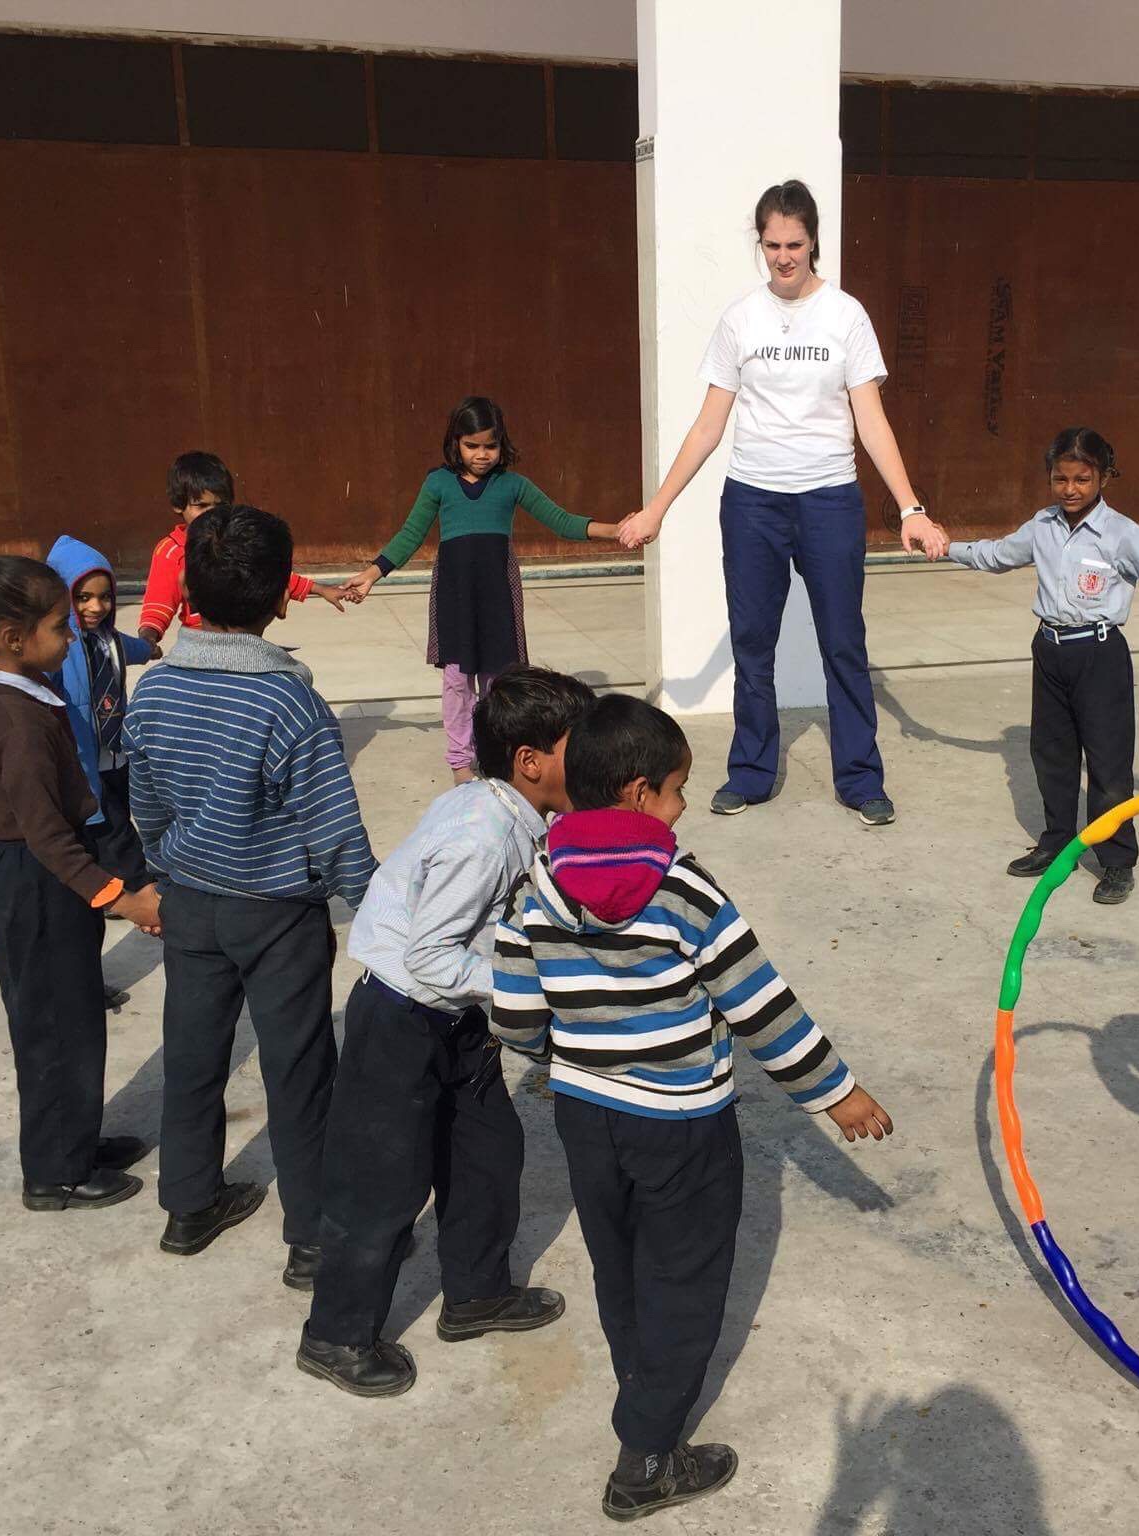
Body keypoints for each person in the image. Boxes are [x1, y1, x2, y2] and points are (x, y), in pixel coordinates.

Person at [491, 693, 894, 1521]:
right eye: (677, 790)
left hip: (585, 1117)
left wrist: (568, 1057)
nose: (679, 809)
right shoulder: (685, 889)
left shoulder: (535, 880)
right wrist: (838, 1095)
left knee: (623, 1265)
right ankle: (646, 1456)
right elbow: (760, 1007)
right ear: (639, 793)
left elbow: (515, 1017)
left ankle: (639, 1383)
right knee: (685, 1278)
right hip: (681, 1122)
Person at [298, 666, 594, 1398]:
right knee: (383, 1185)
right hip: (401, 1017)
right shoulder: (485, 838)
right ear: (530, 762)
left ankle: (476, 1292)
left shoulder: (511, 815)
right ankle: (335, 1335)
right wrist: (526, 986)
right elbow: (431, 957)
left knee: (488, 1151)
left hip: (455, 1021)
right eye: (577, 749)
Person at [617, 180, 948, 829]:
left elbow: (872, 422)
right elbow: (709, 425)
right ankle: (752, 771)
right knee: (752, 641)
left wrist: (911, 507)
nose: (783, 257)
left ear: (814, 240)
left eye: (794, 244)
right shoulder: (741, 319)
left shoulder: (846, 318)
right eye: (772, 245)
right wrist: (657, 507)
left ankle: (859, 778)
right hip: (753, 503)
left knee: (843, 642)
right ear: (760, 243)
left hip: (828, 500)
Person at [125, 504, 377, 1282]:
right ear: (278, 596)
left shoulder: (156, 691)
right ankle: (310, 1235)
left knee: (193, 1055)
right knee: (298, 1068)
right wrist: (376, 909)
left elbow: (146, 804)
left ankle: (189, 1205)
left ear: (190, 590)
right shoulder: (287, 703)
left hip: (190, 903)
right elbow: (334, 830)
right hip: (278, 915)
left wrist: (171, 867)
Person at [0, 549, 162, 1211]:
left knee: (75, 1015)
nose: (72, 635)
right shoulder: (17, 720)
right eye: (61, 626)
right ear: (13, 638)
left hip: (35, 870)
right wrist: (123, 896)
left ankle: (75, 1139)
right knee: (56, 1028)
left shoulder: (1, 683)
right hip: (37, 882)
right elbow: (49, 838)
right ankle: (56, 1173)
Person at [946, 427, 1139, 904]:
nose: (1070, 489)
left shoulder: (1122, 534)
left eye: (1082, 479)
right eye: (1060, 478)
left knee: (1109, 765)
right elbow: (997, 554)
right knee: (1050, 755)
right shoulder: (1042, 526)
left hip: (1100, 655)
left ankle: (1116, 861)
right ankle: (1056, 844)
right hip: (1049, 650)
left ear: (1104, 476)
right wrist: (943, 547)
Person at [341, 397, 622, 783]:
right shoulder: (438, 483)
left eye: (489, 446)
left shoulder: (512, 485)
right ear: (455, 442)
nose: (481, 455)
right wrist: (372, 573)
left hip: (498, 598)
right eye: (472, 446)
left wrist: (618, 530)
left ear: (501, 443)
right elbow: (410, 534)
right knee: (457, 682)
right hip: (455, 597)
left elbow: (562, 521)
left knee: (498, 685)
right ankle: (461, 762)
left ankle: (497, 758)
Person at [137, 451, 347, 645]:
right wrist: (148, 637)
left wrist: (321, 589)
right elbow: (158, 602)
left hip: (244, 640)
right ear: (177, 504)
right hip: (199, 643)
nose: (212, 514)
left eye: (221, 506)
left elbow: (263, 576)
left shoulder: (234, 537)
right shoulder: (171, 551)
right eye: (201, 506)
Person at [45, 535, 156, 892]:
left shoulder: (109, 638)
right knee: (113, 828)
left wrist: (151, 649)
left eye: (105, 596)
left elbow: (131, 649)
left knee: (117, 813)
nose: (97, 606)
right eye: (83, 597)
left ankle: (110, 882)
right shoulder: (61, 645)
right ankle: (139, 887)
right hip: (84, 756)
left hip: (115, 753)